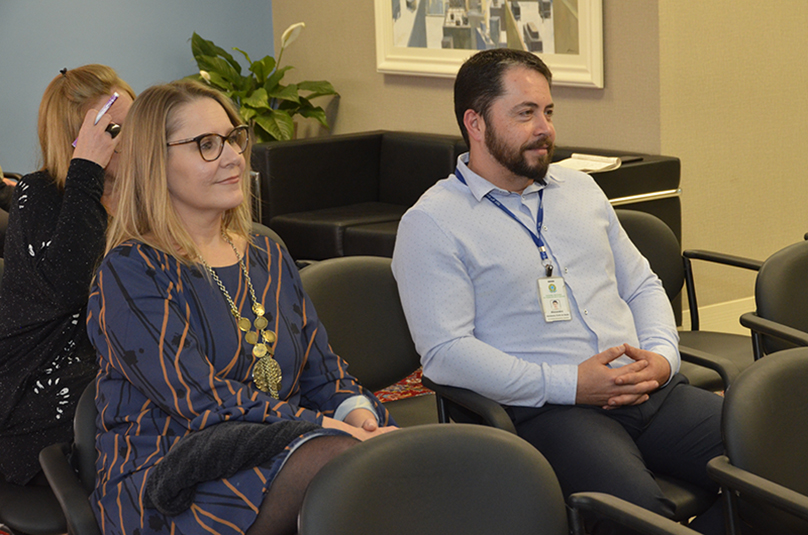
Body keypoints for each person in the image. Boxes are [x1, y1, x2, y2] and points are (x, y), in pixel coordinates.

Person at [391, 49, 724, 535]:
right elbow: (445, 354)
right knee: (636, 520)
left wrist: (663, 357)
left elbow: (642, 283)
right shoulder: (432, 223)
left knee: (781, 457)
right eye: (525, 113)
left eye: (548, 111)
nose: (544, 127)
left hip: (648, 389)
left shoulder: (581, 190)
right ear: (475, 123)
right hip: (553, 413)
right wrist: (568, 383)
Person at [86, 80, 396, 535]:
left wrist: (355, 414)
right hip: (171, 476)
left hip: (288, 447)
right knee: (343, 466)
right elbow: (201, 401)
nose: (233, 156)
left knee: (395, 461)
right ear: (156, 162)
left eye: (233, 138)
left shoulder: (266, 254)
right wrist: (328, 428)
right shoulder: (131, 270)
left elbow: (321, 369)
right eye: (206, 145)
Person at [0, 65, 134, 485]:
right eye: (114, 130)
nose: (133, 140)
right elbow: (73, 284)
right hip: (49, 398)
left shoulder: (140, 195)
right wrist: (86, 171)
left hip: (127, 373)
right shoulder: (40, 194)